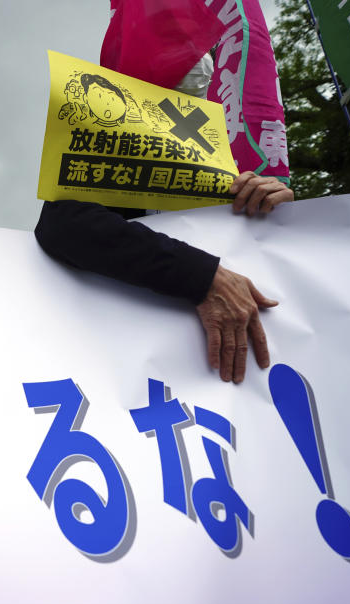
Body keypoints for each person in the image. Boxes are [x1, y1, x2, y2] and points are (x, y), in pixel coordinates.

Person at [36, 55, 294, 384]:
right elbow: (62, 224)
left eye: (191, 99)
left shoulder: (231, 181)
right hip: (132, 370)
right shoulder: (116, 171)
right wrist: (202, 276)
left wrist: (280, 212)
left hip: (246, 382)